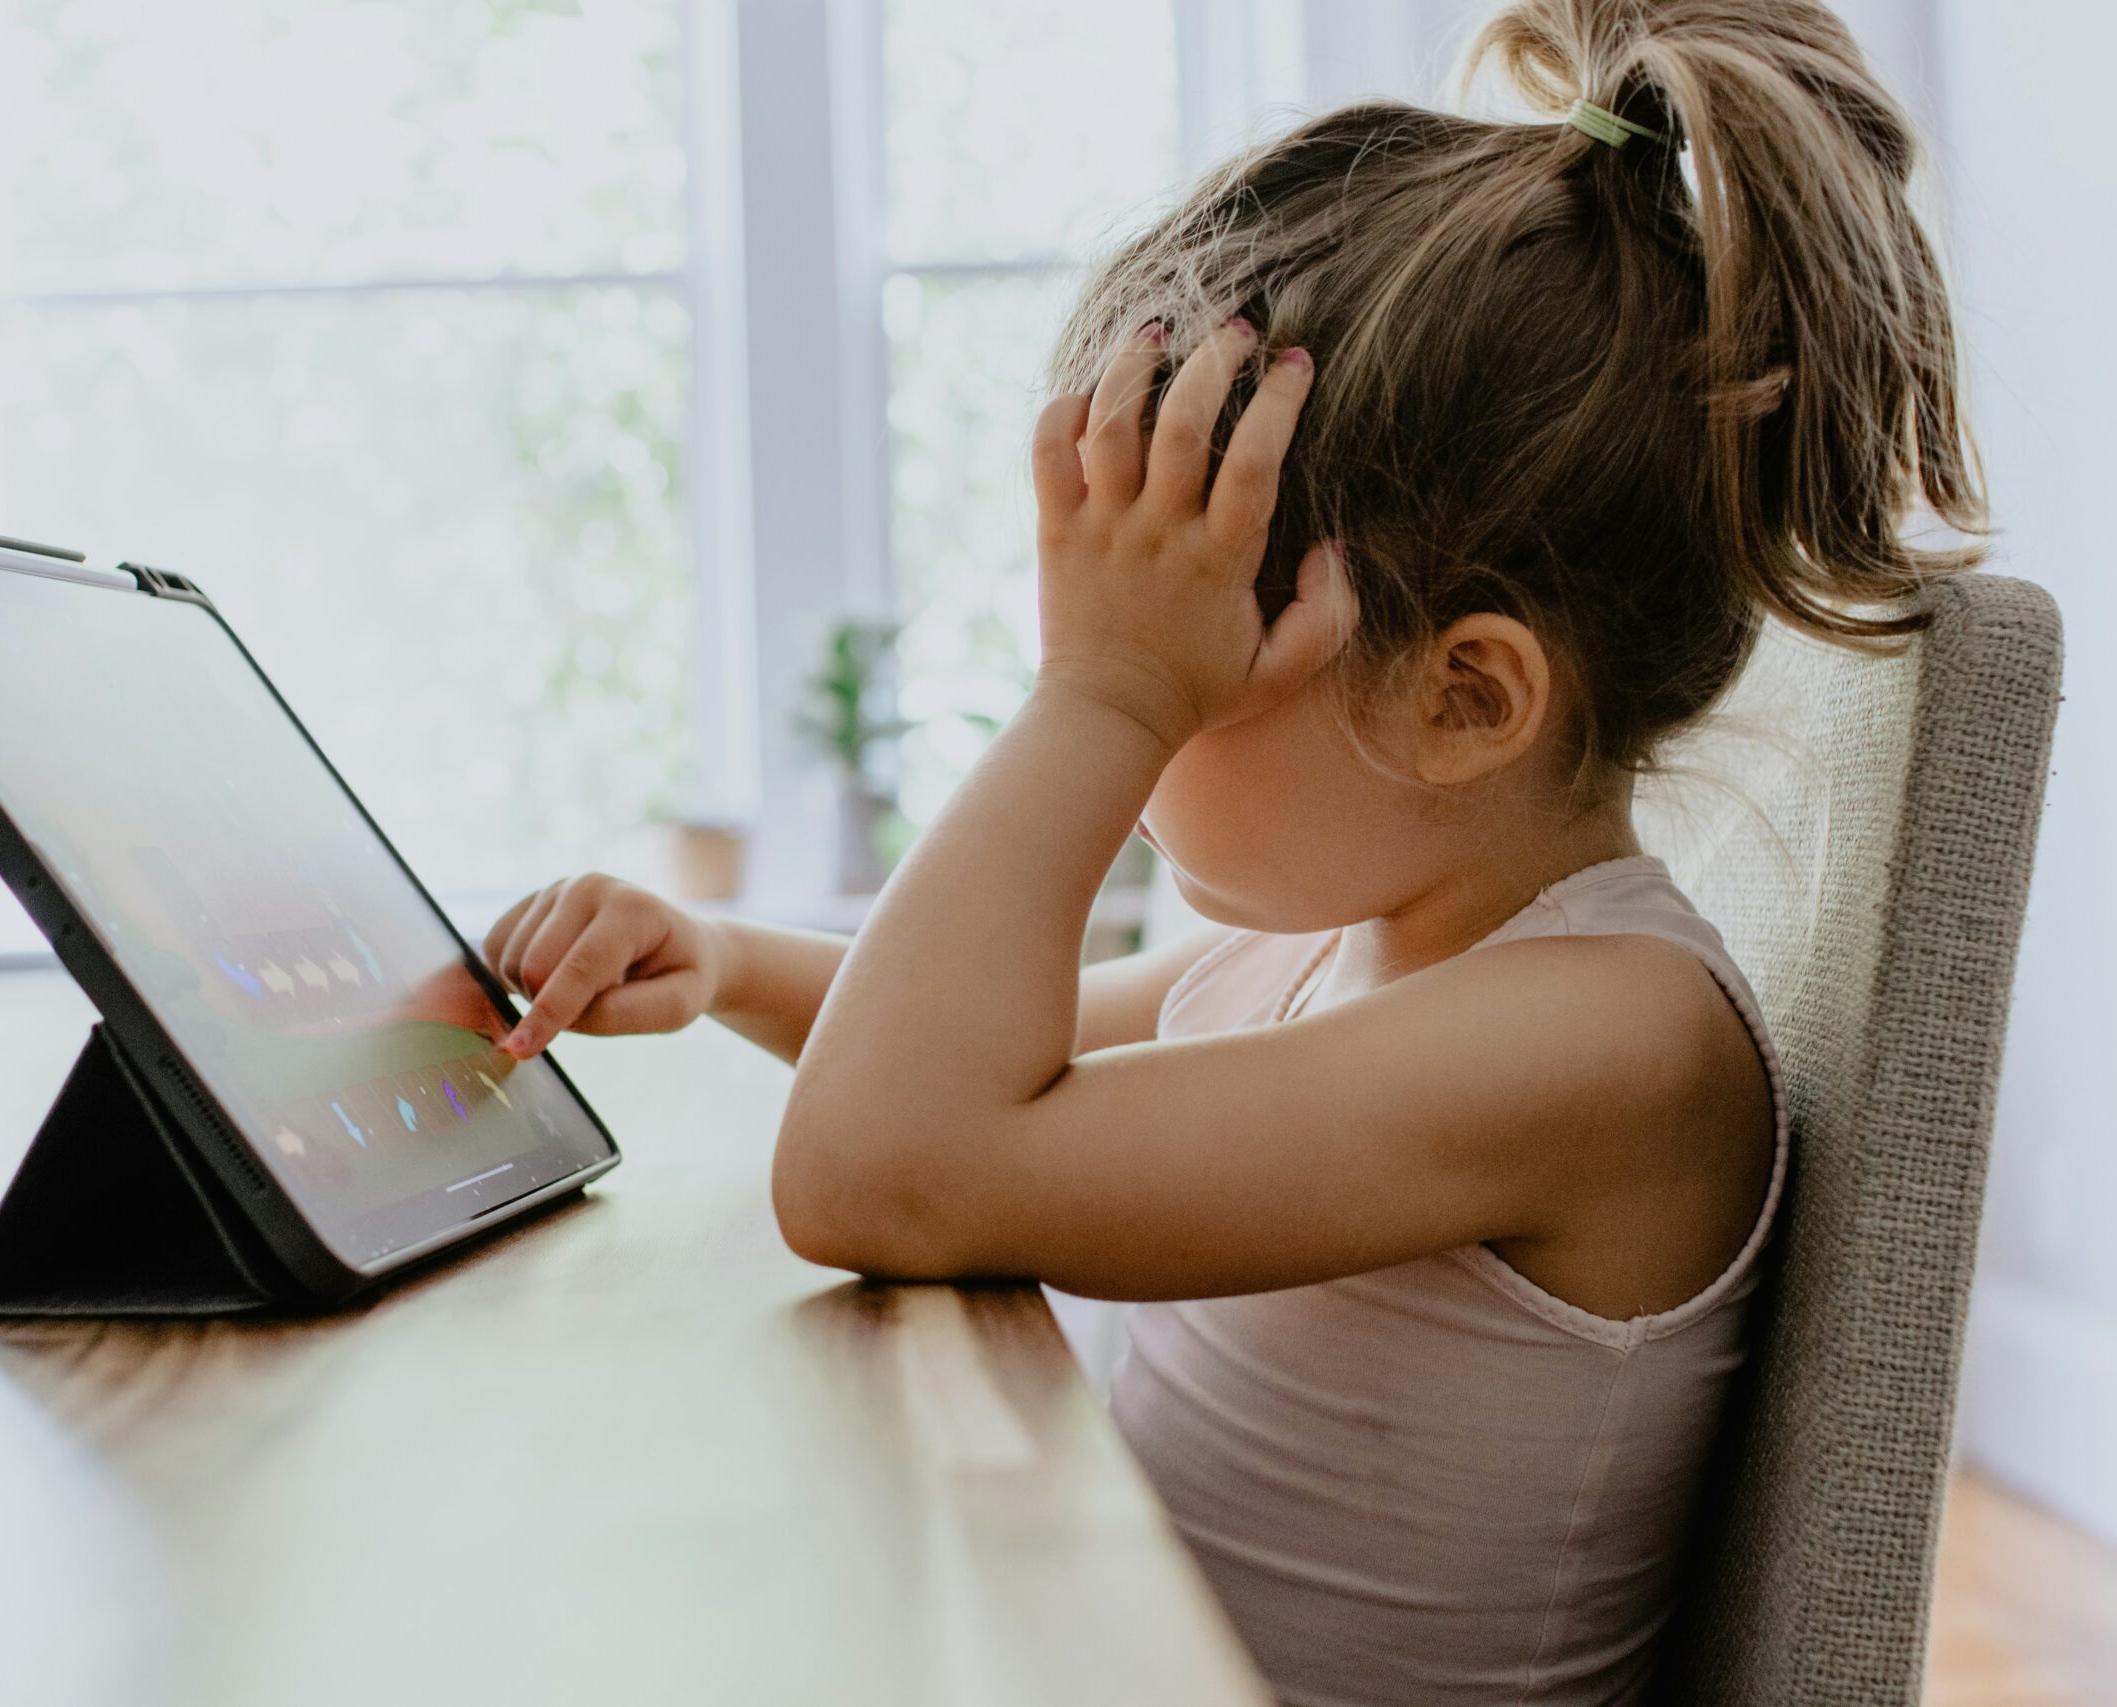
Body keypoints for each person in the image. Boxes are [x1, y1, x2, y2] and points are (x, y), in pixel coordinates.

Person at [483, 1, 1980, 1698]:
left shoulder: (1609, 1045)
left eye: (1188, 664)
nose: (1121, 736)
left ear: (1463, 700)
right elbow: (973, 1063)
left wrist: (1104, 691)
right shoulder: (1342, 946)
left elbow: (885, 1167)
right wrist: (732, 959)